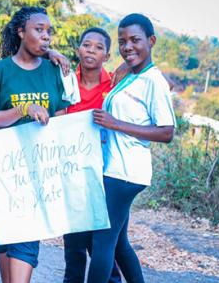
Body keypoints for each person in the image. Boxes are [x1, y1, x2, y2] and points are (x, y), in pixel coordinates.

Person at [0, 7, 71, 283]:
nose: (46, 37)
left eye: (48, 31)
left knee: (26, 247)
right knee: (5, 245)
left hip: (38, 177)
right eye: (38, 30)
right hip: (4, 176)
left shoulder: (54, 71)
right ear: (20, 32)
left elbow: (62, 120)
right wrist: (23, 110)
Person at [88, 14, 176, 283]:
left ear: (151, 41)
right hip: (116, 167)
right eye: (123, 41)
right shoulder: (131, 76)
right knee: (118, 242)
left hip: (125, 173)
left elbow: (166, 131)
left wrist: (116, 124)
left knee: (102, 241)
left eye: (135, 40)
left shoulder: (153, 81)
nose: (128, 47)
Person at [62, 27, 122, 283]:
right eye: (87, 45)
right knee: (74, 240)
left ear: (107, 56)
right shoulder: (65, 81)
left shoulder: (115, 85)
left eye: (99, 47)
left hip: (104, 171)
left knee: (101, 240)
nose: (91, 51)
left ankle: (111, 279)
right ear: (78, 50)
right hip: (71, 170)